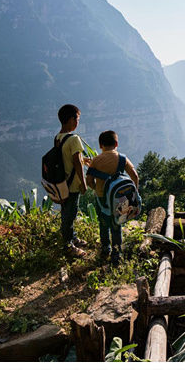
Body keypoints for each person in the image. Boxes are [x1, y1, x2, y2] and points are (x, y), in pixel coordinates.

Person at [86, 130, 139, 266]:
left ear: (100, 145)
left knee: (103, 225)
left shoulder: (96, 160)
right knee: (117, 225)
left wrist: (96, 189)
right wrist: (134, 194)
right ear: (116, 143)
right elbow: (135, 176)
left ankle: (105, 249)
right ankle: (117, 254)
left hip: (102, 199)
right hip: (119, 199)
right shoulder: (122, 158)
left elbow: (89, 180)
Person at [55, 104, 90, 257]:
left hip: (62, 183)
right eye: (78, 119)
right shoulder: (74, 139)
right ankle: (68, 245)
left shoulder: (58, 137)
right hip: (72, 184)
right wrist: (84, 184)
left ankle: (72, 237)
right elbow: (76, 163)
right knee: (70, 214)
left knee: (66, 212)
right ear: (71, 120)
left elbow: (65, 158)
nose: (78, 123)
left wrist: (84, 160)